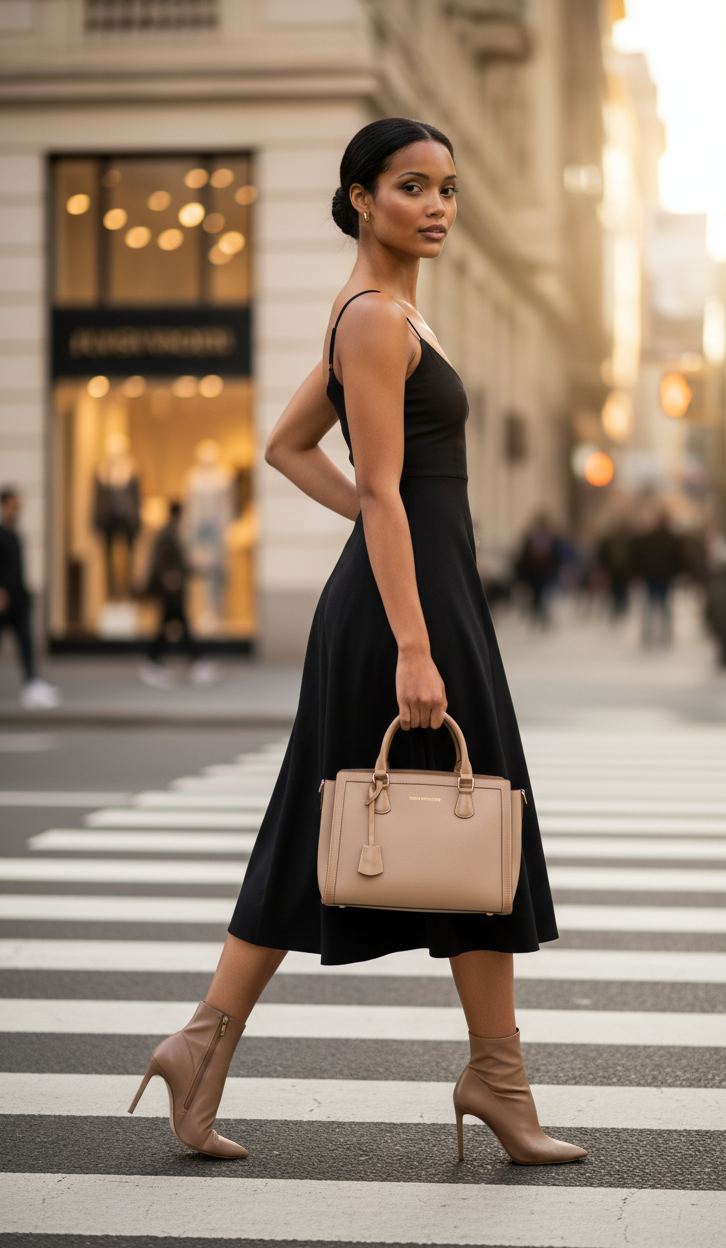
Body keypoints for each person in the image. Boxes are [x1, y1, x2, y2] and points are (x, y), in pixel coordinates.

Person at [128, 118, 586, 1167]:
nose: (436, 205)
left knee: (350, 826)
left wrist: (384, 550)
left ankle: (208, 1047)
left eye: (446, 188)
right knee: (475, 820)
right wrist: (411, 638)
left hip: (405, 593)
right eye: (410, 186)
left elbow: (288, 447)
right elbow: (379, 488)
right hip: (409, 612)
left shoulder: (379, 315)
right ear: (358, 198)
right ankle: (492, 1079)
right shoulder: (376, 319)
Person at [0, 487, 61, 708]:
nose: (16, 508)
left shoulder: (15, 533)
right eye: (12, 504)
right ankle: (32, 684)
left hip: (18, 600)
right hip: (1, 601)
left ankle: (32, 685)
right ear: (3, 506)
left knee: (26, 642)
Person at [140, 501, 217, 689]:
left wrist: (196, 570)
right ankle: (195, 661)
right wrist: (167, 577)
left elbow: (179, 564)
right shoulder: (167, 534)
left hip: (173, 590)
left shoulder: (173, 533)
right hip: (170, 591)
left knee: (171, 626)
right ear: (177, 514)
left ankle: (155, 662)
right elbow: (162, 561)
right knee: (179, 626)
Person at [633, 508, 684, 647]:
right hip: (666, 576)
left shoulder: (646, 538)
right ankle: (666, 634)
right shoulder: (673, 539)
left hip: (650, 575)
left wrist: (639, 572)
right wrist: (677, 572)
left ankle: (647, 634)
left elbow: (638, 556)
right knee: (666, 605)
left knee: (649, 604)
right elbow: (680, 558)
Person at [515, 512, 561, 626]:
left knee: (543, 595)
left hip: (546, 571)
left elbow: (557, 554)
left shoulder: (552, 537)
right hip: (533, 572)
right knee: (537, 595)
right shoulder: (531, 537)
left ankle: (540, 617)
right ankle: (539, 617)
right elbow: (523, 556)